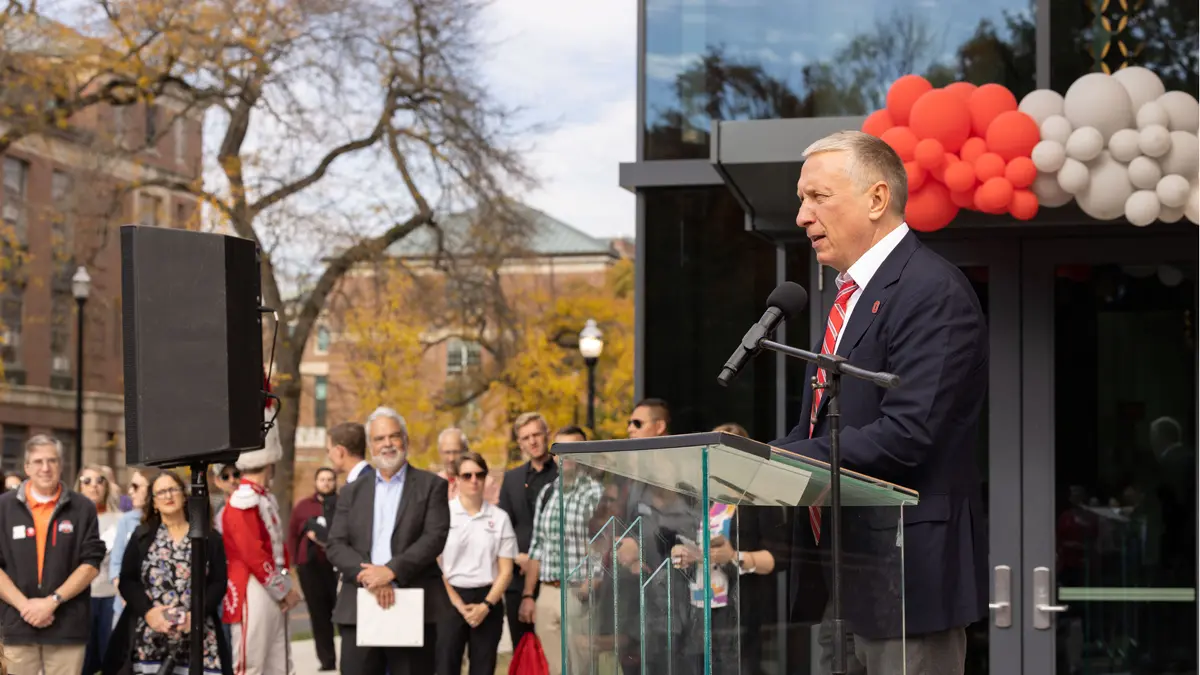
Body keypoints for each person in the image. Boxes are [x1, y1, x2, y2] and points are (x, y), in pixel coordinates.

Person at [771, 130, 988, 674]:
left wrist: (785, 462)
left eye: (818, 197)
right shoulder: (848, 298)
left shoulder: (932, 290)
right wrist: (761, 460)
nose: (802, 215)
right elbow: (820, 427)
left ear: (876, 199)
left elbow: (909, 432)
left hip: (906, 585)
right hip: (838, 585)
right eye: (802, 198)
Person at [326, 406, 450, 674]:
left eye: (394, 436)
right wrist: (372, 576)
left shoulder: (431, 486)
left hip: (413, 603)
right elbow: (336, 544)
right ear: (370, 445)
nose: (387, 444)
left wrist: (391, 571)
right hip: (360, 603)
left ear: (406, 440)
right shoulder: (351, 492)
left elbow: (434, 537)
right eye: (380, 438)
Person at [104, 471, 231, 675]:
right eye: (161, 492)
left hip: (198, 635)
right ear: (153, 502)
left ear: (184, 495)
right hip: (151, 637)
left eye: (173, 489)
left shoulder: (208, 537)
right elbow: (128, 581)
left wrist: (195, 617)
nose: (168, 496)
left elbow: (218, 582)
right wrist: (149, 613)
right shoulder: (141, 537)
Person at [0, 435, 106, 675]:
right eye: (38, 461)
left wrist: (52, 602)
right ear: (27, 467)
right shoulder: (3, 508)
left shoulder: (83, 508)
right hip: (17, 625)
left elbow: (91, 563)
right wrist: (25, 606)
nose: (45, 468)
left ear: (61, 464)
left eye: (52, 461)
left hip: (67, 626)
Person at [221, 414, 300, 675]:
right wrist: (282, 589)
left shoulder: (262, 497)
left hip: (269, 585)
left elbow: (278, 549)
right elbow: (254, 554)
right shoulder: (243, 499)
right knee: (251, 664)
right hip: (252, 587)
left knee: (279, 665)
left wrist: (285, 584)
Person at [521, 425, 603, 675]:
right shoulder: (547, 492)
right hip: (547, 592)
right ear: (554, 456)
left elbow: (604, 544)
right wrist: (528, 595)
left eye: (574, 449)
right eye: (560, 450)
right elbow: (537, 545)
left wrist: (591, 583)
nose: (566, 456)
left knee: (580, 669)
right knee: (553, 669)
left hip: (579, 592)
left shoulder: (595, 493)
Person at [437, 451, 516, 675]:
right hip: (449, 599)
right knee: (445, 667)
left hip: (487, 598)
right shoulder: (443, 513)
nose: (474, 480)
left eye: (479, 475)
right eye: (467, 475)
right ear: (456, 479)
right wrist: (457, 603)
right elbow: (435, 564)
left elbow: (506, 570)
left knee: (483, 669)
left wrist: (486, 606)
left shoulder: (500, 518)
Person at [497, 412, 559, 652]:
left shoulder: (562, 473)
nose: (532, 441)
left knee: (555, 653)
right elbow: (504, 527)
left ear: (547, 435)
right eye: (525, 437)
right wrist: (516, 555)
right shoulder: (511, 479)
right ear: (520, 443)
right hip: (520, 576)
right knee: (523, 651)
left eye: (536, 434)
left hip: (554, 576)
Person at [287, 467, 340, 672]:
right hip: (310, 568)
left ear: (335, 482)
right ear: (316, 482)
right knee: (319, 615)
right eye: (322, 479)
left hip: (337, 567)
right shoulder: (303, 507)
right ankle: (327, 660)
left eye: (329, 479)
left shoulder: (343, 504)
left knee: (342, 612)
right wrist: (293, 563)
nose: (326, 483)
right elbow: (292, 534)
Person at [76, 464, 122, 674]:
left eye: (99, 480)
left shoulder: (122, 520)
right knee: (82, 662)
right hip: (80, 597)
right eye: (87, 481)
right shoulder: (72, 521)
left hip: (112, 597)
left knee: (111, 658)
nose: (93, 486)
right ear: (79, 486)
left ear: (107, 485)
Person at [110, 470, 150, 625]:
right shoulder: (126, 520)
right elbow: (116, 563)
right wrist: (125, 595)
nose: (130, 491)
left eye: (136, 486)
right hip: (125, 605)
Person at [434, 427, 500, 504]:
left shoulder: (484, 483)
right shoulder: (434, 483)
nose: (451, 458)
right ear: (439, 453)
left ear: (466, 451)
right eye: (447, 452)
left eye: (456, 452)